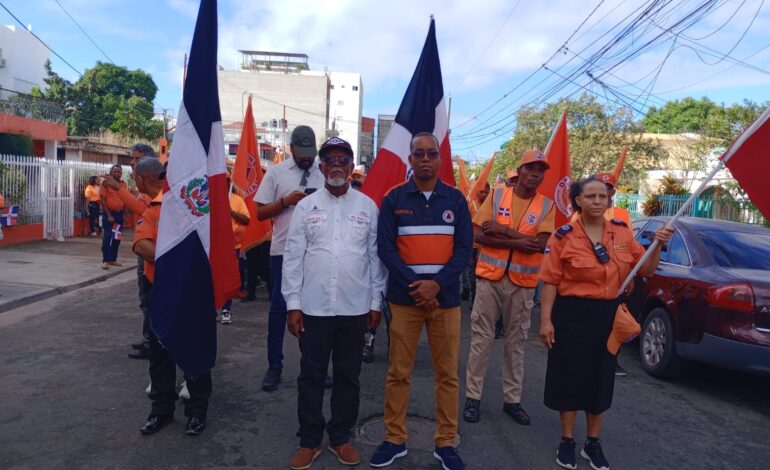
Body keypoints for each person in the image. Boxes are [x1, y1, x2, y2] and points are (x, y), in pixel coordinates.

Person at [538, 176, 672, 470]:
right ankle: (567, 440)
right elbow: (550, 281)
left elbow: (646, 270)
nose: (598, 201)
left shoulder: (622, 232)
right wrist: (545, 320)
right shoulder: (563, 237)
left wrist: (658, 246)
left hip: (608, 316)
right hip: (571, 315)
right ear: (578, 201)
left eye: (603, 196)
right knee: (570, 376)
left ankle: (593, 443)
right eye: (591, 196)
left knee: (600, 378)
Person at [282, 137, 386, 470]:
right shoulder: (306, 207)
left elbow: (375, 259)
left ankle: (341, 437)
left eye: (343, 159)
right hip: (313, 308)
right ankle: (309, 440)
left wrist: (375, 302)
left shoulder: (367, 207)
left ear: (352, 166)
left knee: (348, 377)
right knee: (311, 376)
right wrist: (292, 304)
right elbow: (293, 257)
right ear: (322, 166)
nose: (337, 165)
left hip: (355, 309)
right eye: (330, 160)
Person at [370, 132, 472, 470]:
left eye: (431, 153)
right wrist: (418, 286)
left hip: (446, 301)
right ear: (410, 159)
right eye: (419, 154)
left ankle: (446, 442)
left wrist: (437, 285)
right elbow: (386, 249)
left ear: (440, 158)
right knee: (398, 372)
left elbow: (463, 251)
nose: (425, 159)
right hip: (405, 299)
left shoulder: (456, 200)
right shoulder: (393, 198)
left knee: (447, 374)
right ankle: (394, 438)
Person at [462, 149, 555, 426]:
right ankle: (473, 398)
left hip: (522, 285)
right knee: (481, 340)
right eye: (530, 168)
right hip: (490, 279)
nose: (535, 174)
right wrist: (519, 241)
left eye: (540, 170)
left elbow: (540, 244)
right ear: (520, 170)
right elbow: (478, 235)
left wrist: (502, 231)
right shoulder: (497, 195)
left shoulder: (546, 205)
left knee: (516, 343)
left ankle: (512, 400)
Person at [130, 157, 214, 436]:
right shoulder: (155, 208)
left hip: (194, 290)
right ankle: (161, 410)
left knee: (195, 351)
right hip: (162, 290)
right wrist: (177, 260)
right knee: (160, 354)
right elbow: (141, 245)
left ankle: (197, 412)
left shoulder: (198, 207)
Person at [254, 125, 325, 392]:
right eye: (301, 152)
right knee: (279, 310)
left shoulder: (322, 172)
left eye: (310, 153)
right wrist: (285, 201)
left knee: (314, 312)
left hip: (316, 254)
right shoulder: (276, 172)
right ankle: (274, 367)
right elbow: (260, 213)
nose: (307, 158)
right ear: (291, 148)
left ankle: (314, 367)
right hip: (283, 253)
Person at [220, 177, 250, 324]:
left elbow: (246, 220)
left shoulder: (237, 200)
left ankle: (226, 309)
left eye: (225, 179)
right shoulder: (207, 199)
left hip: (233, 246)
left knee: (228, 279)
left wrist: (230, 212)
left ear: (229, 182)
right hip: (213, 246)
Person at [99, 165, 127, 270]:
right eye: (115, 171)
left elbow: (125, 199)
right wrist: (109, 215)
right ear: (111, 173)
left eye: (119, 171)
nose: (117, 173)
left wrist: (124, 214)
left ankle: (113, 259)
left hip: (119, 214)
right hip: (109, 214)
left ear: (121, 173)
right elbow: (102, 200)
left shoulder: (123, 184)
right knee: (107, 237)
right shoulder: (105, 183)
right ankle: (105, 260)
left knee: (116, 237)